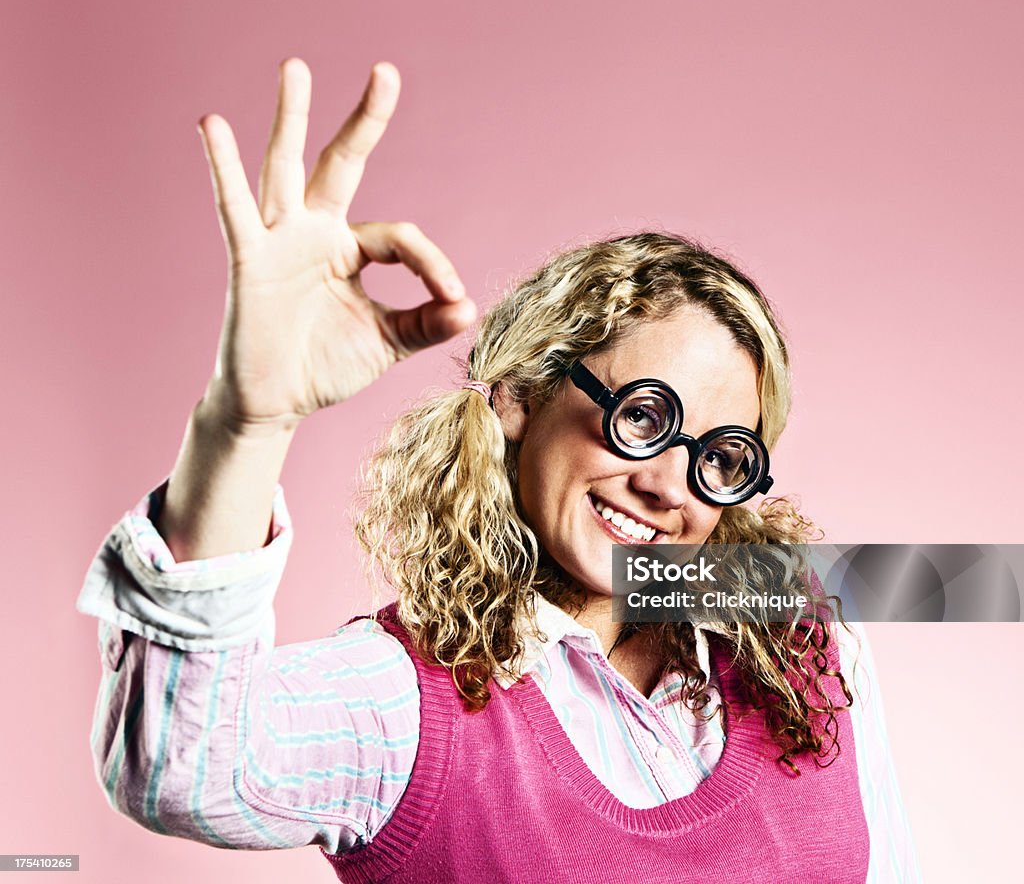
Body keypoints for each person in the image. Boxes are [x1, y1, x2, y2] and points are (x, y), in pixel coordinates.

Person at [77, 59, 920, 882]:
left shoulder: (810, 659)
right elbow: (178, 770)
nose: (670, 485)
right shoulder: (405, 705)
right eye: (643, 418)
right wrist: (245, 423)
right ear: (520, 397)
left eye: (722, 458)